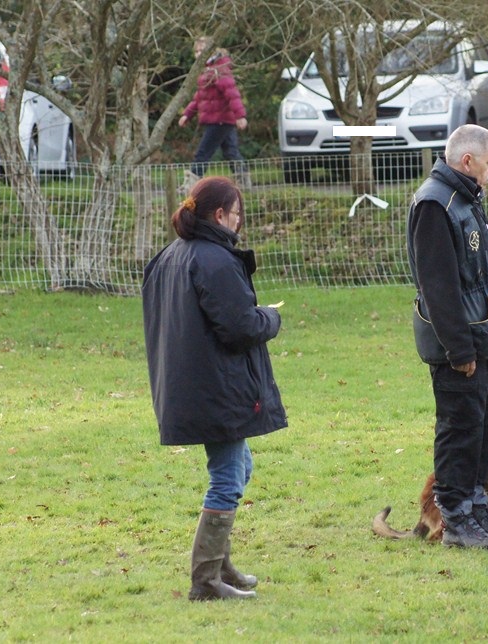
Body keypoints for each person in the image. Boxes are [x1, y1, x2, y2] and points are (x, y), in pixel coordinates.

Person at [142, 176, 286, 600]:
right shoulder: (215, 260)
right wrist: (270, 319)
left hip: (188, 384)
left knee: (239, 468)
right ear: (220, 215)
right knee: (227, 477)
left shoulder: (168, 256)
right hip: (214, 387)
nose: (240, 223)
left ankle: (220, 567)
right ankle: (205, 582)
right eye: (237, 214)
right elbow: (239, 327)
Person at [406, 124, 488, 549]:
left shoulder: (465, 199)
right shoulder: (435, 205)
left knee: (482, 427)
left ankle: (478, 511)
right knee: (459, 428)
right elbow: (438, 286)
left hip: (482, 337)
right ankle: (455, 517)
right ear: (467, 160)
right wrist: (458, 348)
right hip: (457, 344)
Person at [178, 37, 250, 190]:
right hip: (219, 119)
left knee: (203, 153)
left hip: (220, 119)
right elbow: (200, 97)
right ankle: (243, 182)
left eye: (201, 51)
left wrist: (240, 115)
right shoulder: (207, 70)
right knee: (231, 152)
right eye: (196, 51)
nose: (198, 54)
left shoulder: (219, 70)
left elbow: (232, 94)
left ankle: (191, 185)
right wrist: (187, 114)